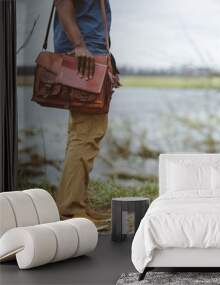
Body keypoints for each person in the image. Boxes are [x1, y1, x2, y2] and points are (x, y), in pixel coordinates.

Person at [54, 0, 113, 226]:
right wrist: (79, 44)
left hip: (89, 56)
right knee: (87, 134)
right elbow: (62, 2)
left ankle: (75, 204)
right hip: (84, 58)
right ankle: (72, 211)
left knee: (82, 133)